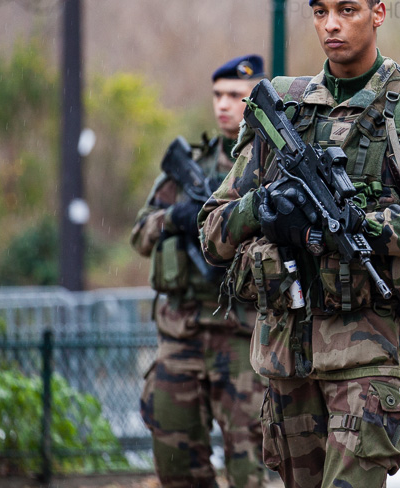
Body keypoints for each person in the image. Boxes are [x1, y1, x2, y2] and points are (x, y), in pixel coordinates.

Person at [199, 0, 400, 487]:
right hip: (283, 358)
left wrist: (344, 225)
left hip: (365, 357)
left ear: (378, 14)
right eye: (320, 13)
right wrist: (265, 209)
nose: (331, 25)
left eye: (347, 10)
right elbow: (213, 232)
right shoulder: (284, 109)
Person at [131, 55, 268, 488]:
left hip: (243, 338)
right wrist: (176, 217)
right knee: (175, 463)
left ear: (256, 100)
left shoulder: (270, 163)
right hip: (182, 334)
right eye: (218, 95)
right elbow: (140, 235)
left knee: (252, 468)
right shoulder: (190, 167)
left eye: (235, 96)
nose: (224, 105)